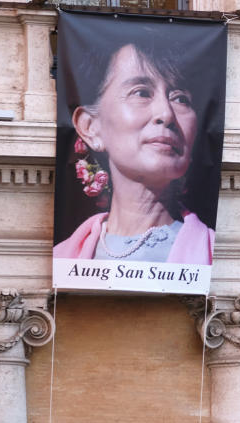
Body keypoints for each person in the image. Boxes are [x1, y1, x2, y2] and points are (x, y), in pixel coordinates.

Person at [53, 41, 215, 265]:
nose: (166, 114)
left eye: (180, 98)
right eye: (141, 93)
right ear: (91, 127)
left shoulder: (219, 257)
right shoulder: (61, 258)